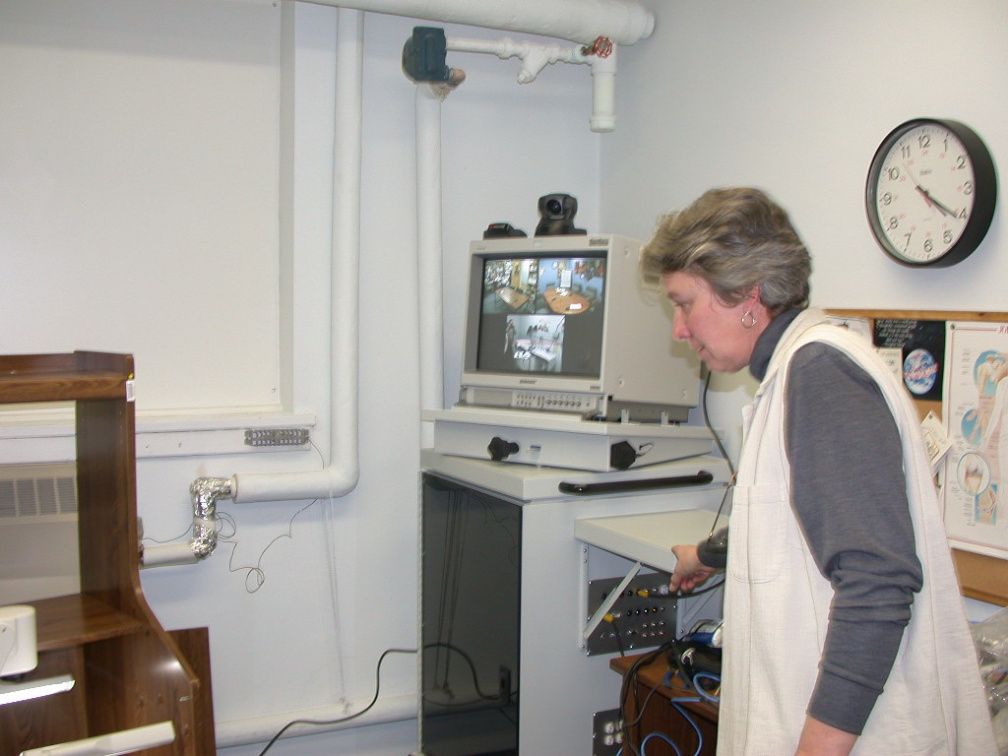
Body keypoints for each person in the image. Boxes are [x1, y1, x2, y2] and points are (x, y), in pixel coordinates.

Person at [640, 187, 996, 755]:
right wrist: (704, 556)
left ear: (747, 295)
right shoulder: (797, 370)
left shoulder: (822, 373)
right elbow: (795, 516)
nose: (678, 330)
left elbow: (876, 585)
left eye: (684, 304)